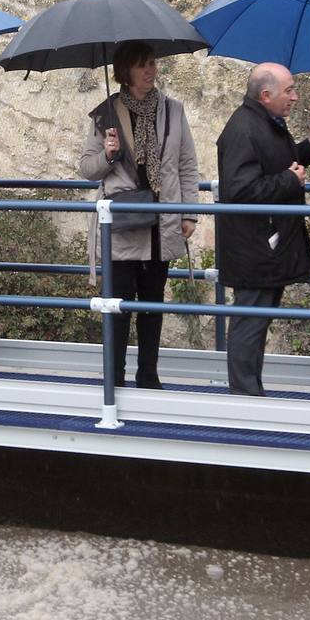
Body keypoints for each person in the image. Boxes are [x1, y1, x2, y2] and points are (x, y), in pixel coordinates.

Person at [77, 40, 200, 390]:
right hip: (123, 221)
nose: (150, 71)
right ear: (125, 72)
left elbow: (187, 164)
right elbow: (87, 169)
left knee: (153, 303)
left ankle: (149, 374)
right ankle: (113, 376)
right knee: (118, 305)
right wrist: (109, 154)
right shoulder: (106, 114)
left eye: (152, 63)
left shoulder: (173, 110)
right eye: (142, 65)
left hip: (162, 219)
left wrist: (189, 212)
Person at [215, 63, 310, 396]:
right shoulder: (244, 129)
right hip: (255, 247)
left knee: (257, 321)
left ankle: (250, 392)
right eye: (289, 90)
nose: (294, 96)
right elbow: (239, 191)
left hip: (266, 245)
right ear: (265, 95)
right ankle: (245, 397)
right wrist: (290, 180)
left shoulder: (265, 124)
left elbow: (277, 162)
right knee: (250, 323)